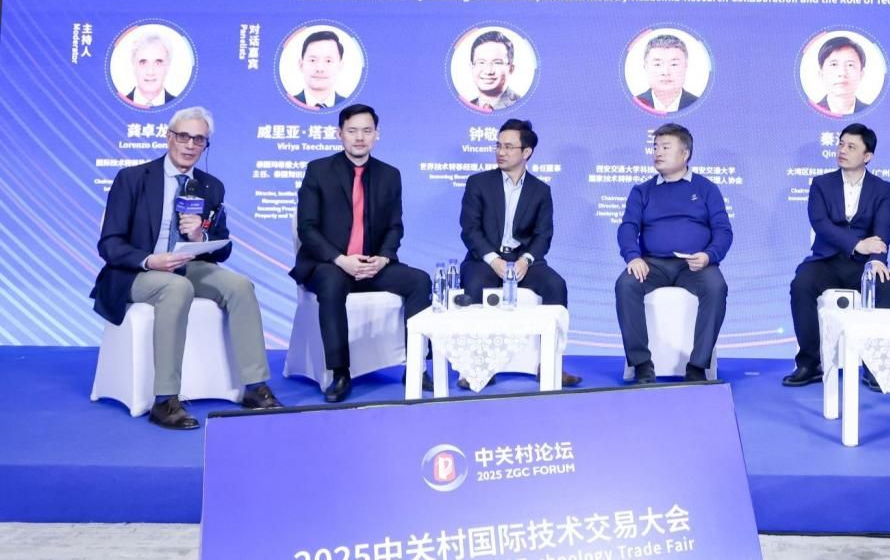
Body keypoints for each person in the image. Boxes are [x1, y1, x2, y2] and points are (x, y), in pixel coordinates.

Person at [92, 106, 280, 429]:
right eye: (184, 136)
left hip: (187, 264)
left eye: (199, 139)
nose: (190, 145)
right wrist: (150, 260)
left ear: (206, 145)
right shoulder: (133, 178)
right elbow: (109, 244)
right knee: (177, 287)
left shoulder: (210, 187)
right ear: (169, 138)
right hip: (136, 271)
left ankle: (255, 386)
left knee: (240, 286)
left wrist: (199, 236)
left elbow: (223, 247)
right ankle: (165, 400)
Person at [290, 104, 432, 403]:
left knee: (419, 281)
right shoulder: (318, 171)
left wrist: (383, 258)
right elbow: (307, 228)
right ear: (339, 134)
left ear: (376, 135)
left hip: (372, 264)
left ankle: (416, 367)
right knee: (331, 282)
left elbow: (395, 226)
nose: (359, 138)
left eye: (367, 131)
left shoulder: (390, 175)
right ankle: (341, 373)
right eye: (352, 131)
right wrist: (341, 260)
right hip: (329, 264)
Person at [459, 118, 581, 387]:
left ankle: (550, 365)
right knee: (476, 284)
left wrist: (526, 259)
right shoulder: (478, 183)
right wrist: (494, 260)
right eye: (498, 145)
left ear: (526, 152)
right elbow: (470, 230)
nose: (500, 152)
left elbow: (543, 235)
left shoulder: (540, 190)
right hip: (484, 259)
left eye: (508, 147)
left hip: (523, 261)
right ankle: (477, 367)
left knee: (556, 285)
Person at [783, 123, 890, 387]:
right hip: (826, 260)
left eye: (851, 147)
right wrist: (857, 244)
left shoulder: (883, 189)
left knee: (886, 285)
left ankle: (876, 364)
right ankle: (809, 362)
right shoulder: (821, 184)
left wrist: (876, 260)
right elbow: (821, 224)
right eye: (841, 144)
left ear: (867, 156)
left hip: (864, 265)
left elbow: (883, 230)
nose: (842, 150)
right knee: (801, 284)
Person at [615, 123, 731, 382]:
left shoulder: (706, 189)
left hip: (694, 265)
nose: (657, 152)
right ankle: (641, 364)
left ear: (685, 153)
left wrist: (708, 256)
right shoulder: (642, 191)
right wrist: (633, 256)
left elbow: (723, 231)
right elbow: (628, 227)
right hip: (652, 264)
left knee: (716, 287)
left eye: (665, 147)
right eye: (655, 147)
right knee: (625, 284)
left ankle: (697, 365)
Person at [634, 34, 699, 114]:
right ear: (645, 67)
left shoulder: (698, 104)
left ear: (685, 66)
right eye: (657, 64)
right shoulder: (634, 105)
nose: (666, 72)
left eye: (674, 64)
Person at [811, 36, 870, 117]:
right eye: (834, 64)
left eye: (850, 65)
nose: (842, 73)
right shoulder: (809, 114)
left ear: (861, 74)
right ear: (821, 74)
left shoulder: (873, 113)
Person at [291, 30, 347, 110]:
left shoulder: (349, 106)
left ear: (340, 66)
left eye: (328, 61)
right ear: (301, 65)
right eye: (312, 60)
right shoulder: (286, 105)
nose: (320, 69)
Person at [467, 30, 521, 112]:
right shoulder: (466, 107)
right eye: (481, 62)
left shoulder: (521, 104)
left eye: (497, 63)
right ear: (471, 67)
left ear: (511, 69)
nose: (488, 71)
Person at [122, 32, 178, 108]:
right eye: (143, 63)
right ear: (133, 65)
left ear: (168, 66)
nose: (150, 72)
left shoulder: (182, 107)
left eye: (158, 63)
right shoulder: (117, 106)